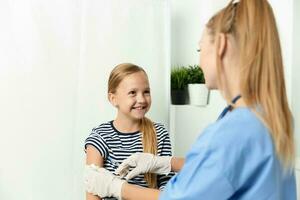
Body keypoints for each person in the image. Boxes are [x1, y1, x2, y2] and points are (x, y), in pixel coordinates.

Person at [83, 0, 297, 199]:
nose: (200, 61)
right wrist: (165, 163)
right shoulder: (265, 117)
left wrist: (115, 186)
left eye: (200, 49)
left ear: (221, 45)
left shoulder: (233, 133)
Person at [84, 63, 174, 200]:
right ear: (113, 98)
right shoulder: (100, 137)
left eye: (146, 92)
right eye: (133, 93)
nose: (142, 99)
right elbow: (92, 191)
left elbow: (168, 189)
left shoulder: (159, 134)